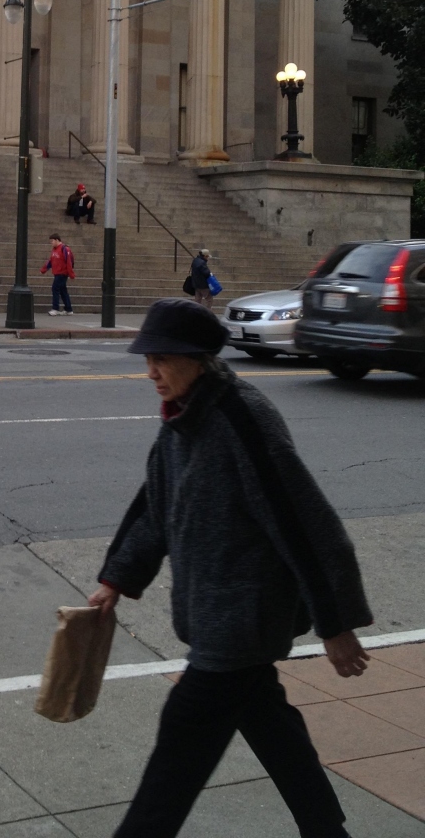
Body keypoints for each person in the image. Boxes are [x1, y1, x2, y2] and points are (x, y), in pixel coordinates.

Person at [88, 298, 371, 838]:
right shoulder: (182, 418)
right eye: (148, 358)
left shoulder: (242, 419)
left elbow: (304, 522)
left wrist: (335, 623)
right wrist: (115, 580)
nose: (151, 371)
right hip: (217, 612)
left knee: (182, 741)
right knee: (270, 724)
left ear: (198, 360)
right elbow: (155, 505)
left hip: (243, 618)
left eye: (163, 359)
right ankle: (326, 830)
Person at [40, 234, 75, 316]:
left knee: (55, 288)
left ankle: (55, 308)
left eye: (52, 241)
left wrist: (71, 273)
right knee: (63, 290)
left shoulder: (65, 249)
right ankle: (68, 309)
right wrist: (43, 269)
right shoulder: (54, 250)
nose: (51, 243)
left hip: (62, 273)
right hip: (57, 272)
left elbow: (69, 262)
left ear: (57, 240)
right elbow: (50, 261)